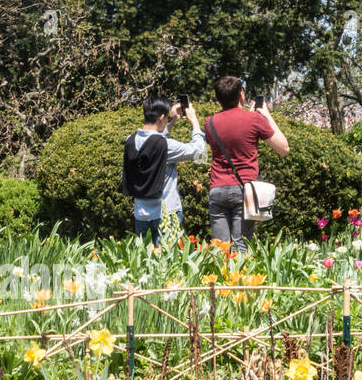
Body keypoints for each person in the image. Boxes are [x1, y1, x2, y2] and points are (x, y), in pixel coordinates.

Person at [204, 76, 288, 254]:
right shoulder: (253, 120)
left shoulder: (209, 122)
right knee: (241, 246)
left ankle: (218, 280)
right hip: (244, 189)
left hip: (217, 188)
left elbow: (230, 131)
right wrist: (266, 115)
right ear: (241, 95)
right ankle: (240, 281)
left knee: (220, 248)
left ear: (218, 98)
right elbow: (284, 148)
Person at [121, 96, 205, 246]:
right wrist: (195, 122)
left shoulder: (130, 140)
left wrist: (171, 121)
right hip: (166, 213)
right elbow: (199, 152)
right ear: (161, 117)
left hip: (141, 213)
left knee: (145, 264)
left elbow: (153, 141)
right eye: (165, 118)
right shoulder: (167, 146)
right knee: (166, 264)